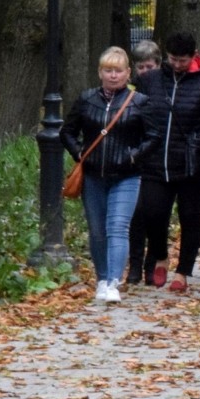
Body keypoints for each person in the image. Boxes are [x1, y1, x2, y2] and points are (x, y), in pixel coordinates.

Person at [61, 47, 159, 303]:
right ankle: (102, 278)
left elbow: (153, 137)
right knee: (97, 230)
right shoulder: (86, 100)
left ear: (128, 73)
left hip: (127, 175)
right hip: (93, 175)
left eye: (118, 71)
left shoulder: (139, 102)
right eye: (108, 70)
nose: (113, 76)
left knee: (118, 227)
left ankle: (114, 281)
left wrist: (133, 156)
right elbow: (67, 131)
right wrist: (79, 153)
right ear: (100, 72)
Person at [135, 32, 200, 293]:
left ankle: (183, 271)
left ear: (193, 57)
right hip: (154, 160)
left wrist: (197, 142)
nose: (177, 65)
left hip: (190, 164)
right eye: (173, 59)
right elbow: (138, 112)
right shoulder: (150, 80)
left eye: (182, 60)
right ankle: (160, 255)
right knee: (153, 213)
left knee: (189, 216)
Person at [127, 39, 163, 285]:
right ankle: (135, 265)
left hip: (158, 159)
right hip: (134, 159)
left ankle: (152, 263)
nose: (145, 72)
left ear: (158, 65)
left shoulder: (163, 90)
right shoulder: (129, 92)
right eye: (141, 67)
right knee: (136, 215)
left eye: (149, 67)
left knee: (155, 215)